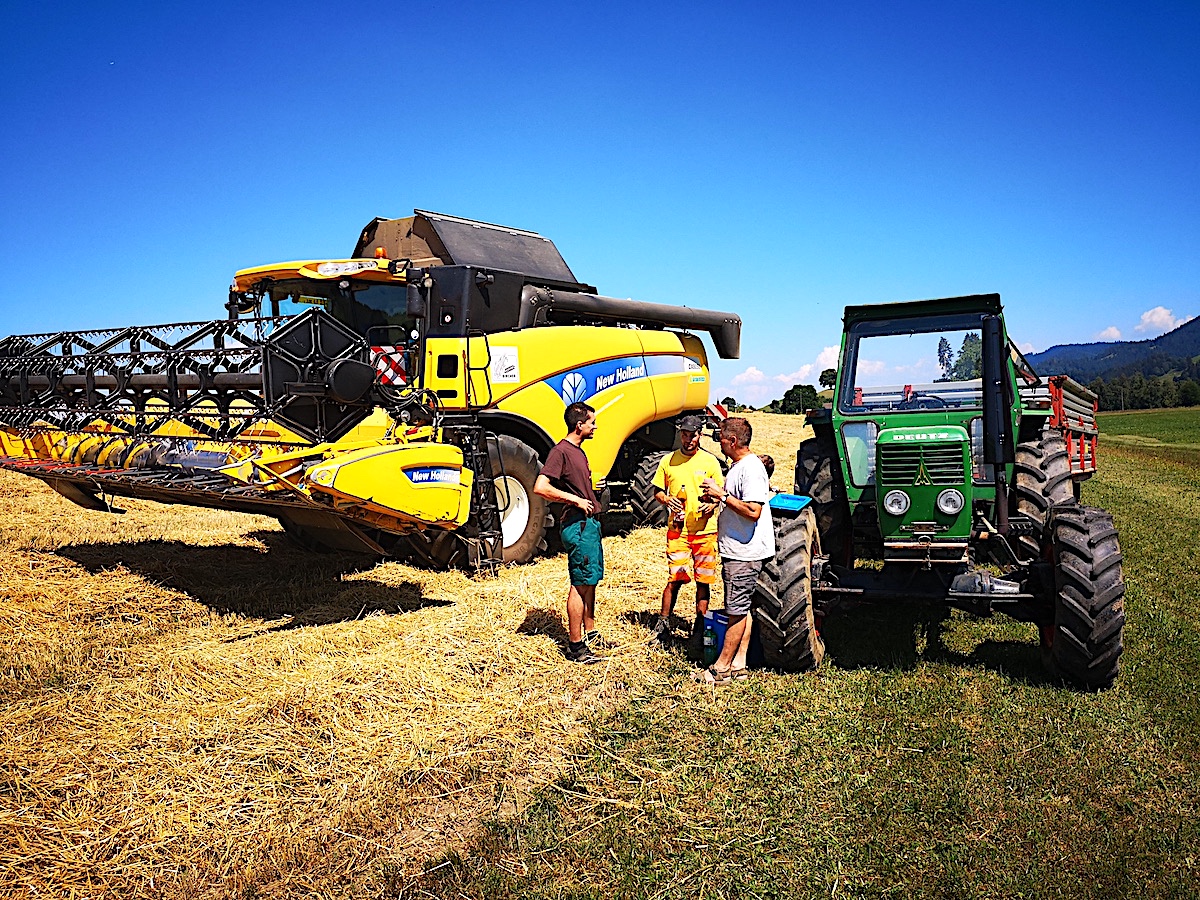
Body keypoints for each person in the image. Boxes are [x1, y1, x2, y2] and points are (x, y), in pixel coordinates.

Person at [695, 417, 775, 685]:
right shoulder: (739, 467)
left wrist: (721, 496)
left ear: (732, 441)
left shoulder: (750, 469)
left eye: (721, 437)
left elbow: (754, 511)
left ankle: (721, 668)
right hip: (737, 549)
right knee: (743, 608)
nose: (718, 441)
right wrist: (714, 500)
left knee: (736, 611)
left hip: (744, 552)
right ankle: (739, 664)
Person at [533, 401, 608, 664]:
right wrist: (575, 500)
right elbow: (540, 487)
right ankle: (576, 647)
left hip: (589, 524)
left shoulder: (578, 452)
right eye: (592, 422)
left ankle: (591, 631)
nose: (595, 426)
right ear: (579, 425)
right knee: (579, 583)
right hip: (578, 526)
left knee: (590, 581)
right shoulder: (561, 451)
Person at [648, 415, 723, 650]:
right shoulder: (668, 461)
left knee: (703, 581)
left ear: (700, 435)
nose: (689, 439)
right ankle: (663, 624)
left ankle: (700, 628)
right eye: (685, 434)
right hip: (677, 532)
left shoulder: (710, 462)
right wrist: (666, 499)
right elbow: (657, 491)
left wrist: (710, 506)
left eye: (693, 435)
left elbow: (719, 496)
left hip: (704, 531)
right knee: (675, 579)